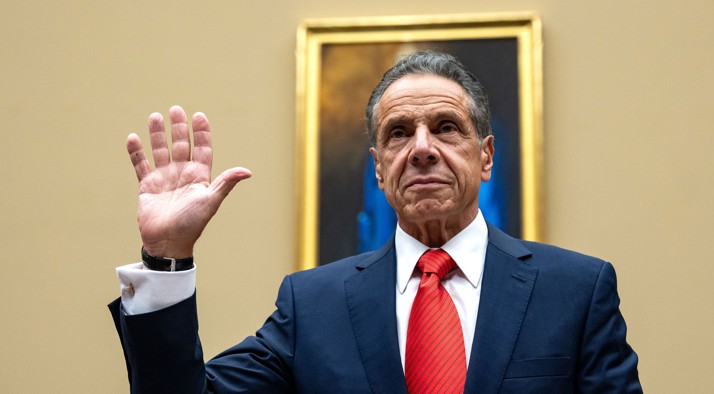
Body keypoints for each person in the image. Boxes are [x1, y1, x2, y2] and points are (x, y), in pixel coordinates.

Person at [109, 51, 642, 393]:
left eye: (446, 127)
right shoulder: (313, 305)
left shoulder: (575, 291)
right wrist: (168, 257)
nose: (422, 149)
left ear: (485, 157)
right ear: (380, 170)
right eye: (398, 133)